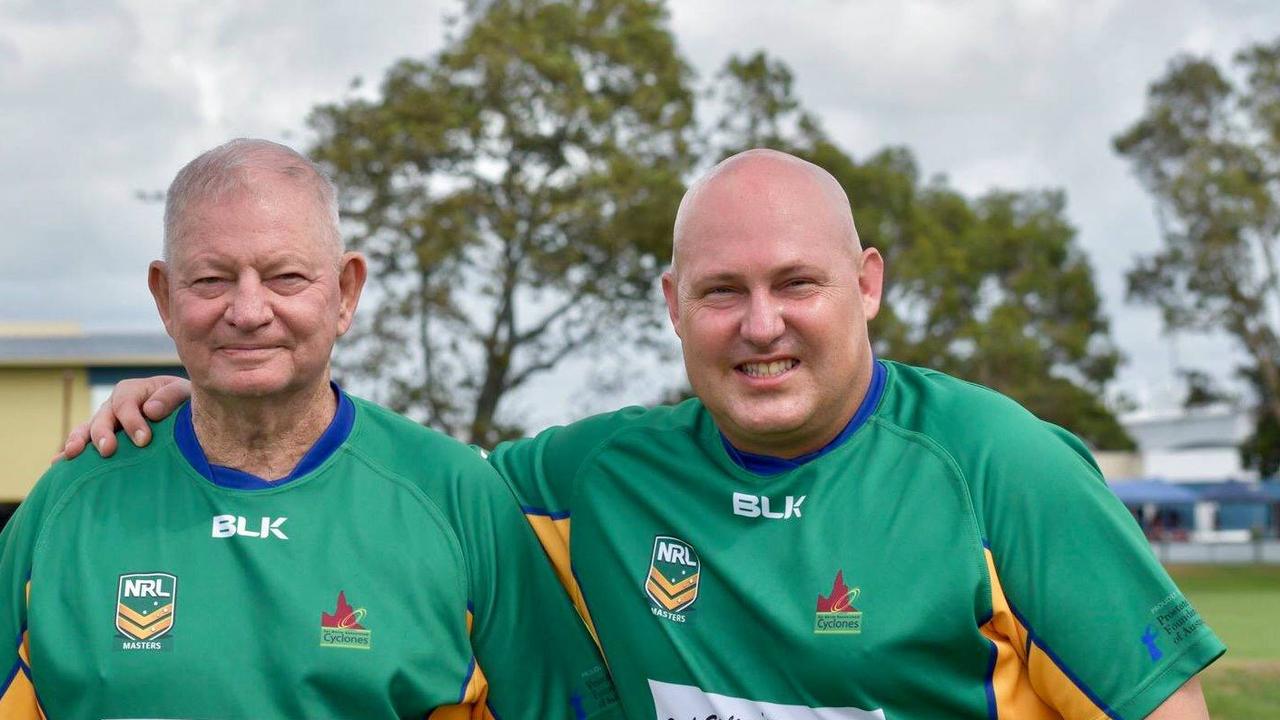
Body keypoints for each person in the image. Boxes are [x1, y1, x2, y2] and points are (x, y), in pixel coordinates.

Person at [65, 149, 1223, 719]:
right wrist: (201, 404)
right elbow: (377, 481)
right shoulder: (589, 477)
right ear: (671, 305)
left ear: (865, 284)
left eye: (796, 285)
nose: (759, 326)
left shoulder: (996, 466)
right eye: (721, 291)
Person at [4, 139, 618, 719]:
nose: (247, 311)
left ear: (346, 291)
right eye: (211, 280)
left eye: (286, 277)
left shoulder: (456, 496)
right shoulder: (70, 502)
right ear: (165, 297)